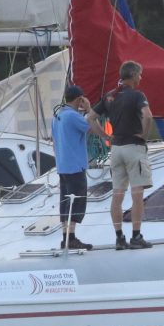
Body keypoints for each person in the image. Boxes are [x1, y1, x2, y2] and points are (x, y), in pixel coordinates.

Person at [94, 61, 155, 249]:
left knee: (117, 195)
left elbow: (89, 117)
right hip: (133, 148)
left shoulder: (110, 96)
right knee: (137, 194)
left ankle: (119, 238)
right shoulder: (137, 95)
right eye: (140, 74)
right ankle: (136, 237)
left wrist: (105, 136)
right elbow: (148, 115)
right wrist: (144, 135)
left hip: (116, 149)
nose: (141, 78)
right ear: (133, 75)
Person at [51, 84, 105, 250]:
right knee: (76, 201)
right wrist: (89, 110)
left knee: (66, 202)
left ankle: (66, 238)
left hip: (63, 165)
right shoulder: (73, 117)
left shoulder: (58, 116)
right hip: (75, 166)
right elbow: (95, 130)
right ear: (79, 99)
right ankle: (71, 238)